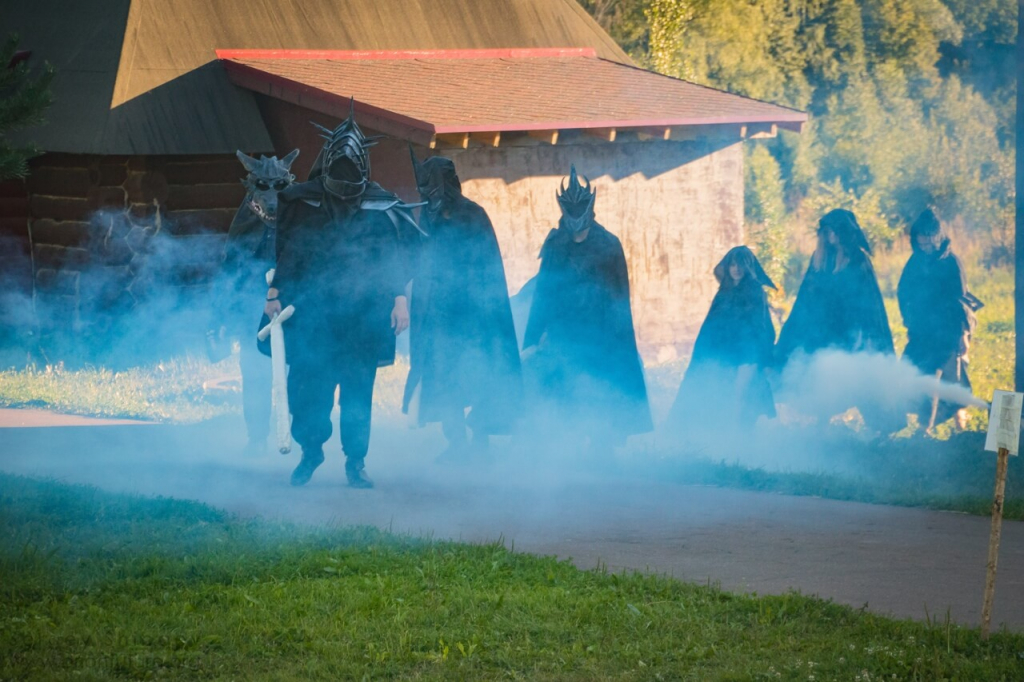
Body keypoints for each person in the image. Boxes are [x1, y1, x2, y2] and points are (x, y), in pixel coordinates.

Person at [266, 108, 421, 488]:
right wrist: (273, 292)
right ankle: (311, 451)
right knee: (308, 388)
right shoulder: (302, 204)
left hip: (362, 316)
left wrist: (400, 299)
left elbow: (392, 259)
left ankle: (355, 462)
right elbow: (289, 251)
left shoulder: (380, 208)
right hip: (313, 313)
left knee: (357, 393)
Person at [401, 149, 522, 458]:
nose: (429, 196)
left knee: (481, 374)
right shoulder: (426, 218)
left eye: (434, 188)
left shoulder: (473, 215)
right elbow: (420, 262)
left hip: (474, 316)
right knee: (443, 379)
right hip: (438, 317)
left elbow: (485, 268)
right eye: (424, 190)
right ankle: (456, 442)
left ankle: (481, 438)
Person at [522, 165, 652, 449]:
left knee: (601, 390)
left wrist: (617, 339)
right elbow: (544, 292)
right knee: (563, 391)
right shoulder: (557, 245)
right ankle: (568, 455)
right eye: (571, 210)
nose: (576, 216)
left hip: (600, 333)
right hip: (564, 333)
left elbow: (619, 296)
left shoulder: (608, 245)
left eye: (580, 208)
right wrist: (534, 335)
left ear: (590, 208)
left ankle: (603, 451)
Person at [775, 208, 896, 430]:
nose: (831, 238)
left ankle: (882, 428)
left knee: (859, 377)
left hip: (850, 329)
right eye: (827, 233)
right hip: (821, 328)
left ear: (845, 234)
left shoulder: (858, 260)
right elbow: (806, 295)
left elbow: (868, 302)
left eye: (835, 232)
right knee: (818, 373)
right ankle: (822, 421)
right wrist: (797, 327)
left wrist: (862, 333)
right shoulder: (820, 258)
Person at [211, 149, 298, 456]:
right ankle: (257, 438)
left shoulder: (297, 221)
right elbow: (230, 270)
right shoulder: (245, 221)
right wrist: (221, 319)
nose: (272, 195)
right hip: (251, 313)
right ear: (252, 189)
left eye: (279, 187)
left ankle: (294, 437)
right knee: (255, 374)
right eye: (264, 186)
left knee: (295, 374)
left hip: (291, 312)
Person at [667, 246, 777, 439]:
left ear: (749, 267)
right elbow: (712, 325)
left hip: (747, 352)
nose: (736, 269)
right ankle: (720, 437)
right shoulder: (724, 292)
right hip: (723, 351)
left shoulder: (755, 292)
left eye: (741, 264)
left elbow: (761, 327)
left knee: (741, 396)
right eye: (733, 264)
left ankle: (738, 439)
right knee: (718, 393)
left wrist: (764, 358)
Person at [897, 208, 981, 433]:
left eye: (928, 244)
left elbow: (960, 300)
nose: (925, 248)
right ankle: (931, 426)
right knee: (916, 374)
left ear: (937, 238)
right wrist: (910, 322)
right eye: (921, 244)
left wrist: (963, 334)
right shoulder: (914, 262)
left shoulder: (951, 262)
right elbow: (903, 293)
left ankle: (941, 430)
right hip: (922, 332)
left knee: (943, 380)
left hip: (949, 330)